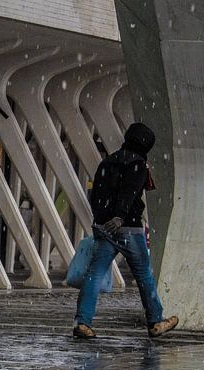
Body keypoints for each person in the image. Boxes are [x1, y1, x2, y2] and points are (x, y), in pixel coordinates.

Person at [73, 122, 178, 339]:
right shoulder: (137, 163)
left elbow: (97, 194)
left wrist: (101, 219)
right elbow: (128, 193)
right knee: (143, 275)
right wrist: (120, 216)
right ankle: (155, 320)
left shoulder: (108, 161)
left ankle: (82, 322)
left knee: (94, 274)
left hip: (105, 228)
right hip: (128, 227)